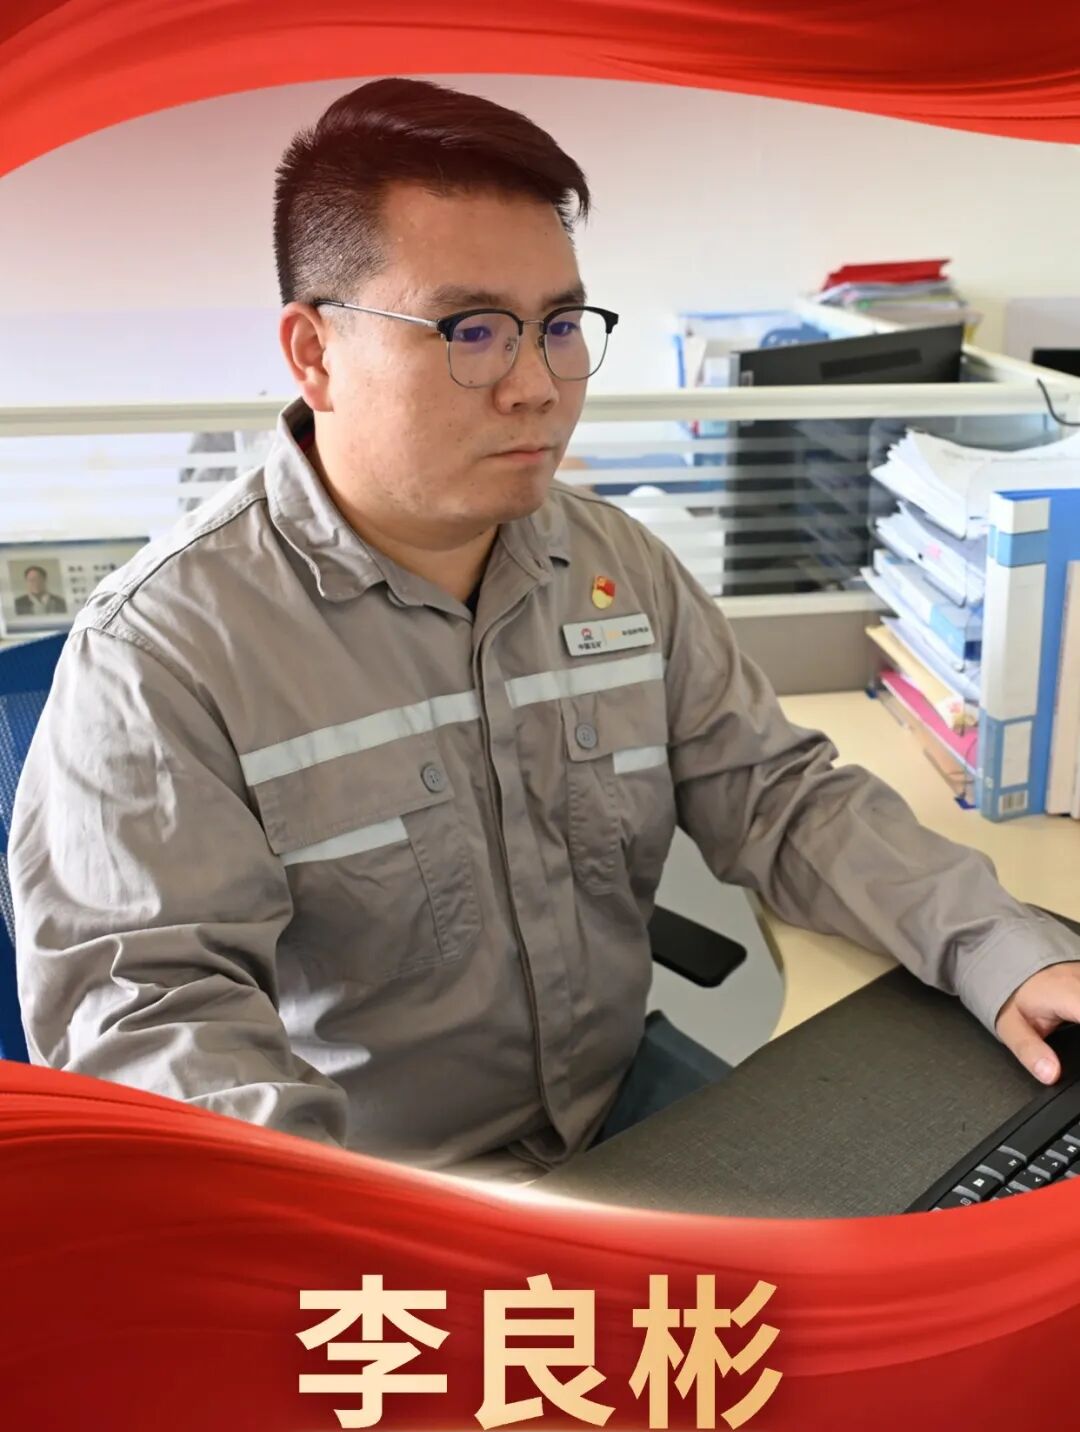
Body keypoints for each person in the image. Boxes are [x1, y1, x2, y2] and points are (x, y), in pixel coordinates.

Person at [10, 77, 1080, 1184]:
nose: (536, 386)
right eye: (471, 331)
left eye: (560, 326)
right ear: (314, 352)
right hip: (389, 1183)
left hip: (625, 1107)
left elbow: (778, 794)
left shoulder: (615, 568)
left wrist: (999, 948)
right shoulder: (163, 654)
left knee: (974, 1209)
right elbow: (151, 1022)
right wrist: (348, 1237)